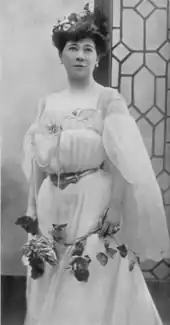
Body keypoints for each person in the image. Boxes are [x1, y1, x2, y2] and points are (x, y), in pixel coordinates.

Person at [22, 3, 170, 325]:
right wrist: (32, 206)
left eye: (87, 49)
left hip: (94, 200)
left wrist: (115, 205)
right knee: (48, 270)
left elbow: (121, 156)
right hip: (52, 201)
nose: (79, 55)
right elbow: (37, 158)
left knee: (90, 277)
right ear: (61, 54)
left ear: (97, 57)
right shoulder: (48, 102)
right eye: (72, 47)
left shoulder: (108, 99)